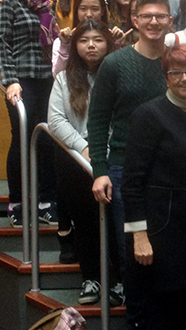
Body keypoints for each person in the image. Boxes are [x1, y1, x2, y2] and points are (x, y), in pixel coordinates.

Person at [121, 44, 186, 329]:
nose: (185, 78)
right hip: (160, 236)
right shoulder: (149, 115)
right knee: (160, 316)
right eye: (176, 72)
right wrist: (139, 235)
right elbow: (131, 182)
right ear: (165, 77)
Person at [87, 0, 172, 326]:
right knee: (134, 253)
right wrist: (99, 169)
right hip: (124, 171)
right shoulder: (114, 63)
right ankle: (137, 319)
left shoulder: (177, 60)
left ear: (169, 20)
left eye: (160, 16)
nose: (153, 22)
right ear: (134, 20)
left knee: (167, 249)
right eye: (146, 16)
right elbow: (97, 120)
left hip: (171, 171)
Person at [47, 19, 124, 305]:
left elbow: (124, 116)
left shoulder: (119, 73)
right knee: (86, 223)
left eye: (98, 39)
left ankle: (118, 280)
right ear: (76, 45)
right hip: (76, 161)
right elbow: (54, 120)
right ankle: (91, 278)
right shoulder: (64, 79)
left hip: (113, 157)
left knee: (115, 225)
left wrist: (103, 148)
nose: (91, 45)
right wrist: (84, 147)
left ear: (108, 42)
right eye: (84, 40)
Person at [0, 0, 60, 227]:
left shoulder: (51, 6)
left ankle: (46, 201)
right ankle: (17, 202)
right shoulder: (9, 4)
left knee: (47, 140)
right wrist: (10, 80)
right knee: (21, 140)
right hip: (21, 82)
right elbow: (1, 45)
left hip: (50, 80)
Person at [52, 0, 121, 77]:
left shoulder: (113, 37)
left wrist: (116, 45)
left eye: (95, 9)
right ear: (76, 11)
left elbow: (120, 75)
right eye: (83, 9)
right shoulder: (61, 42)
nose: (89, 15)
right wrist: (65, 46)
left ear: (102, 11)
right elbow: (58, 76)